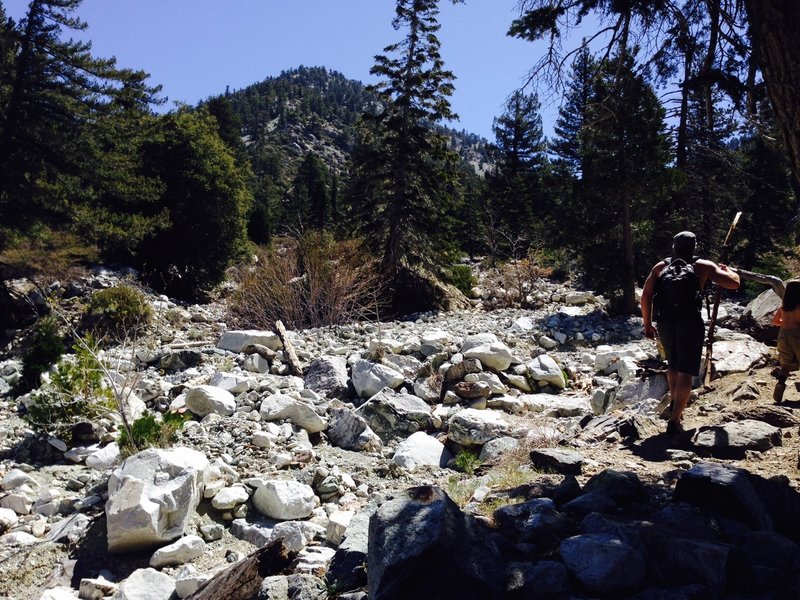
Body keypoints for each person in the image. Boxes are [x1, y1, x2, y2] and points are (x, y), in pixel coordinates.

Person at [640, 231, 740, 438]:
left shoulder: (661, 267)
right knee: (686, 371)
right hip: (690, 323)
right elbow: (733, 284)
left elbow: (646, 295)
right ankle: (675, 420)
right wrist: (731, 271)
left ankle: (675, 409)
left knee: (673, 366)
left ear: (674, 246)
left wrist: (647, 324)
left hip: (666, 322)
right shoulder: (702, 266)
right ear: (694, 246)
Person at [771, 279, 800, 403]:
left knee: (785, 364)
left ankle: (781, 383)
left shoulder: (783, 307)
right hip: (797, 335)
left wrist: (785, 322)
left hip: (783, 336)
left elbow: (775, 321)